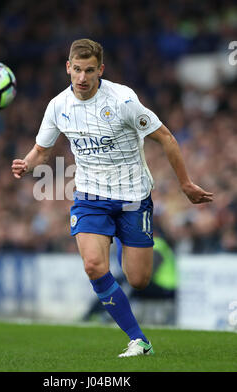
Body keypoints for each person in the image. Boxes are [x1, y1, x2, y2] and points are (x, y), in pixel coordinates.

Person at [11, 38, 213, 357]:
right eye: (76, 69)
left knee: (139, 279)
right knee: (93, 266)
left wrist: (185, 183)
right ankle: (138, 339)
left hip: (133, 197)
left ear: (100, 70)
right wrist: (27, 163)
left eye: (89, 70)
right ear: (68, 68)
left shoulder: (123, 100)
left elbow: (167, 138)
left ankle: (123, 242)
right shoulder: (58, 106)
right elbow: (41, 150)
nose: (82, 77)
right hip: (90, 196)